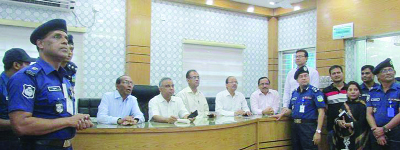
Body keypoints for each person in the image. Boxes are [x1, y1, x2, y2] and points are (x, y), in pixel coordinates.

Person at [7, 19, 93, 150]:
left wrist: (78, 121)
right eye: (57, 37)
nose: (65, 41)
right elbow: (21, 125)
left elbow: (63, 116)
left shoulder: (64, 78)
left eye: (65, 38)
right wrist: (69, 121)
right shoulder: (26, 77)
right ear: (40, 43)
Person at [272, 66, 325, 150]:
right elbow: (290, 110)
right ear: (297, 80)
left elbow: (321, 112)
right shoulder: (294, 93)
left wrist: (318, 131)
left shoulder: (315, 92)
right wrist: (282, 114)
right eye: (301, 76)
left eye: (306, 76)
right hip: (295, 126)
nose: (304, 78)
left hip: (308, 127)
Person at [0, 48, 35, 149]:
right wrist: (20, 123)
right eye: (27, 64)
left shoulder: (24, 85)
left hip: (23, 140)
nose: (30, 68)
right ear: (16, 65)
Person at [366, 58, 400, 149]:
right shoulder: (373, 91)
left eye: (390, 70)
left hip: (396, 133)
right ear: (378, 76)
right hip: (376, 133)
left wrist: (384, 129)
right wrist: (377, 132)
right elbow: (369, 114)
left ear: (394, 72)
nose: (388, 73)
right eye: (384, 71)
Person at [333, 81, 369, 150]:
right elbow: (337, 118)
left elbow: (363, 122)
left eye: (355, 90)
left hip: (358, 136)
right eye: (350, 90)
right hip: (344, 137)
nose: (353, 92)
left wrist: (349, 124)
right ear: (346, 92)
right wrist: (339, 122)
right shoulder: (343, 105)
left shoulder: (363, 105)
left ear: (359, 92)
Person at [281, 49, 319, 114]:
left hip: (308, 106)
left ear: (306, 58)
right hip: (292, 105)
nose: (298, 58)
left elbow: (314, 90)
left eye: (300, 56)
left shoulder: (313, 72)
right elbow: (287, 91)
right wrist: (285, 106)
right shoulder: (290, 73)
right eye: (296, 56)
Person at [323, 65, 348, 150]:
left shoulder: (350, 89)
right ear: (330, 76)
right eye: (334, 73)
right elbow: (324, 109)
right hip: (332, 127)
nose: (336, 75)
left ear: (342, 73)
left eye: (338, 72)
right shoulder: (326, 91)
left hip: (349, 127)